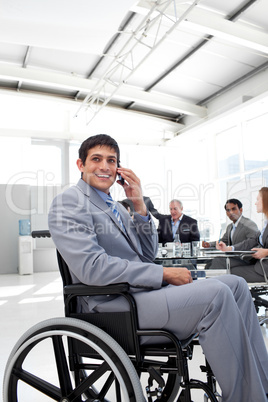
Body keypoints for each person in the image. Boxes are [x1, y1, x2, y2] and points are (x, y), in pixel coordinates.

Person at [48, 134, 268, 402]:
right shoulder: (70, 201)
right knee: (216, 296)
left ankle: (262, 386)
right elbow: (92, 268)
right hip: (112, 304)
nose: (104, 166)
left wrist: (140, 206)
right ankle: (247, 399)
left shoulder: (115, 206)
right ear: (80, 164)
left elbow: (147, 252)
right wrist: (163, 273)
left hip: (139, 295)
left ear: (118, 169)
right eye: (96, 159)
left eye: (111, 160)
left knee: (236, 285)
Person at [217, 188, 268, 282]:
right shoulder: (265, 223)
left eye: (257, 199)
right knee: (227, 271)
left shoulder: (249, 224)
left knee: (230, 274)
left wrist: (266, 252)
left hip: (264, 270)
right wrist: (229, 248)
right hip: (259, 265)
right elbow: (251, 241)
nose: (255, 203)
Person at [203, 198, 259, 269]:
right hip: (233, 257)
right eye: (228, 210)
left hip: (245, 259)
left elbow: (252, 242)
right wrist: (209, 244)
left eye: (234, 209)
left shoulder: (249, 224)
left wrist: (230, 248)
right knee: (209, 262)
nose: (231, 212)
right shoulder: (230, 227)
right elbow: (224, 241)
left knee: (216, 261)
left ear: (240, 210)